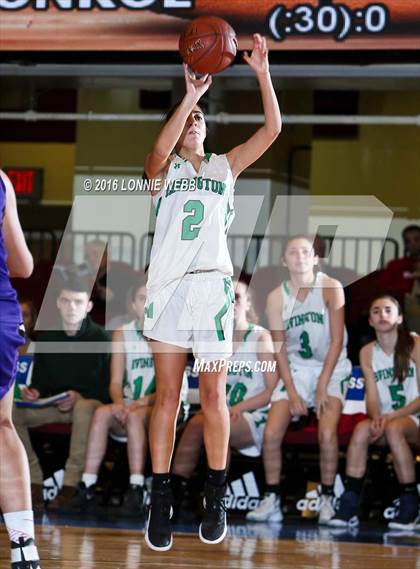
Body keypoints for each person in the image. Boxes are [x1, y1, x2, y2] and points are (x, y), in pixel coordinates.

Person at [142, 33, 281, 550]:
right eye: (188, 120)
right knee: (167, 396)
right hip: (168, 288)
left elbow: (273, 128)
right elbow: (157, 149)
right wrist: (190, 97)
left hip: (213, 290)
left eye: (201, 118)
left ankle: (215, 493)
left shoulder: (225, 167)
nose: (195, 122)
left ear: (209, 130)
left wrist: (262, 73)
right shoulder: (164, 169)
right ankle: (160, 496)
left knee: (212, 395)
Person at [247, 235, 352, 524]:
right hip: (295, 369)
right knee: (270, 434)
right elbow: (279, 347)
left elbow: (337, 340)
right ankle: (272, 498)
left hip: (330, 368)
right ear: (284, 260)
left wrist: (321, 386)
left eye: (306, 252)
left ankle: (329, 497)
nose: (300, 257)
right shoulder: (276, 297)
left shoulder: (331, 287)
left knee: (327, 434)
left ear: (315, 258)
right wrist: (292, 391)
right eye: (293, 252)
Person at [65, 280, 188, 516]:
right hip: (131, 406)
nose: (148, 304)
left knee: (133, 418)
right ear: (134, 305)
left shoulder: (172, 334)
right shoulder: (123, 333)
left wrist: (136, 405)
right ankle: (88, 486)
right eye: (142, 298)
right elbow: (114, 382)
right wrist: (119, 403)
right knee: (101, 413)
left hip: (167, 406)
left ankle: (137, 488)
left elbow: (171, 390)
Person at [171, 278, 278, 512]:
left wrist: (238, 408)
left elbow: (272, 390)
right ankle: (192, 493)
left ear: (249, 303)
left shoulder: (260, 337)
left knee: (204, 424)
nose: (231, 303)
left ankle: (187, 493)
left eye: (237, 297)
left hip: (253, 415)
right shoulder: (214, 340)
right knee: (207, 424)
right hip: (221, 415)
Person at [13, 276, 111, 512]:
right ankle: (33, 478)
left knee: (83, 407)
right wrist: (34, 392)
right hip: (54, 405)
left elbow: (108, 387)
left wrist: (80, 397)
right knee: (10, 412)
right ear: (58, 304)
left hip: (88, 405)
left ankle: (71, 484)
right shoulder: (47, 338)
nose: (71, 307)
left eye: (78, 302)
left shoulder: (102, 338)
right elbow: (41, 383)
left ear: (88, 306)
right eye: (66, 301)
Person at [329, 296, 420, 530]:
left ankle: (411, 505)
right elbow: (371, 397)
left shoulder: (415, 344)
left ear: (399, 318)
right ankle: (349, 504)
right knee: (360, 430)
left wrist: (390, 417)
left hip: (414, 417)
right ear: (370, 320)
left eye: (388, 310)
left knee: (393, 429)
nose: (382, 314)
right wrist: (377, 416)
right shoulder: (367, 352)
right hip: (388, 420)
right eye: (376, 311)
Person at [0, 170, 42, 569]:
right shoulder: (1, 180)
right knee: (3, 426)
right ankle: (24, 546)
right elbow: (24, 265)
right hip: (2, 314)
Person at [381, 225, 420, 304]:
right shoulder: (395, 265)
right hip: (400, 306)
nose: (413, 244)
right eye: (408, 241)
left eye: (417, 239)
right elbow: (383, 289)